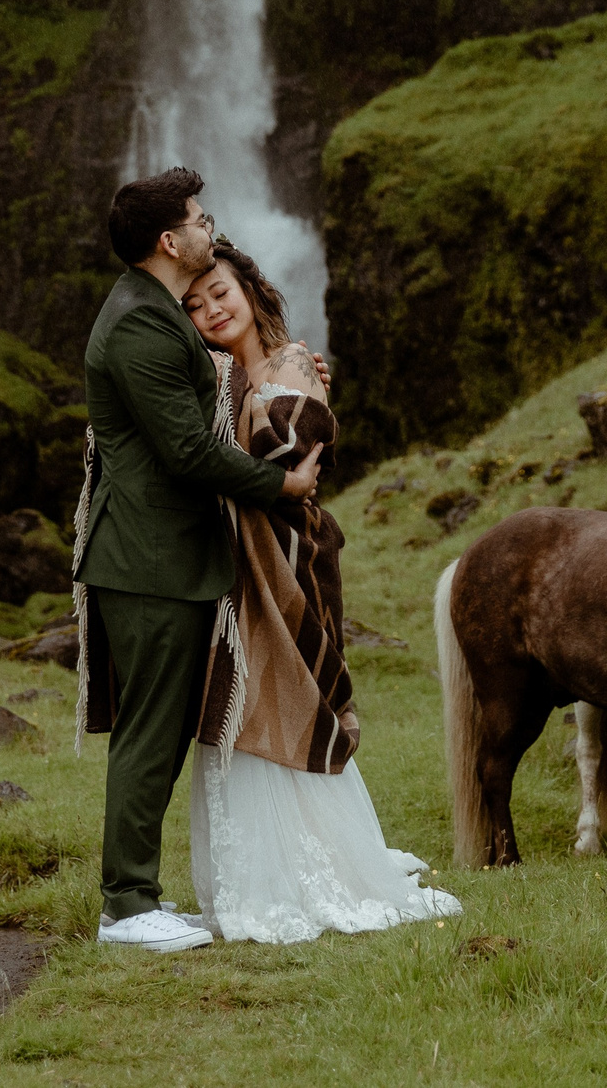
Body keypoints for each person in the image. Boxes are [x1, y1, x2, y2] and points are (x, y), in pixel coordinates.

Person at [181, 242, 463, 943]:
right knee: (235, 704)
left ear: (249, 290)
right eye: (193, 304)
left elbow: (291, 457)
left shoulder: (293, 364)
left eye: (220, 292)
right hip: (228, 567)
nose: (211, 309)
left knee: (293, 693)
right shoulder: (212, 380)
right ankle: (251, 875)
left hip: (289, 560)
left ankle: (317, 865)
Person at [73, 168, 325, 953]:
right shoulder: (141, 325)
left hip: (168, 556)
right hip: (149, 558)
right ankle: (126, 905)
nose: (207, 224)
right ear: (169, 240)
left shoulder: (149, 311)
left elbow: (206, 407)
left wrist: (283, 379)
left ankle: (138, 895)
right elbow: (185, 450)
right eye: (197, 216)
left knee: (161, 728)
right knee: (149, 733)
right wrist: (281, 480)